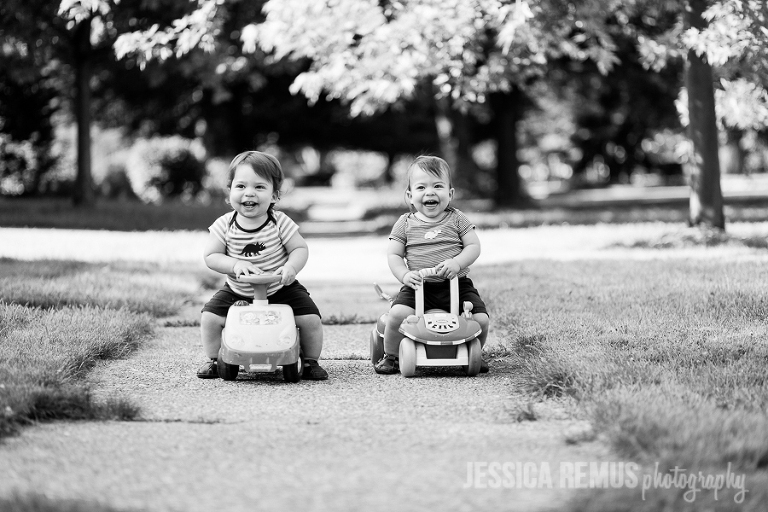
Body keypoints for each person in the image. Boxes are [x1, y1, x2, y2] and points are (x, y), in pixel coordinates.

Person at [197, 150, 328, 380]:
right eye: (241, 186)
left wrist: (291, 268)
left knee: (311, 319)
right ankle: (214, 359)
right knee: (209, 317)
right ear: (229, 193)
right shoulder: (224, 225)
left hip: (280, 289)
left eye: (259, 187)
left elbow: (300, 248)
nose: (249, 193)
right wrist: (235, 263)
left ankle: (310, 361)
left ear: (274, 195)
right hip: (238, 291)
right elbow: (211, 256)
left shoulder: (279, 222)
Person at [375, 155, 490, 375]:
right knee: (397, 314)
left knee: (480, 319)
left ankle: (477, 352)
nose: (430, 192)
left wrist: (457, 263)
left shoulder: (457, 219)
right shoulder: (405, 223)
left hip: (456, 285)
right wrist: (404, 275)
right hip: (418, 286)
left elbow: (473, 246)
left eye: (438, 186)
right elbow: (394, 255)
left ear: (450, 193)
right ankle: (391, 355)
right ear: (410, 196)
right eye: (421, 187)